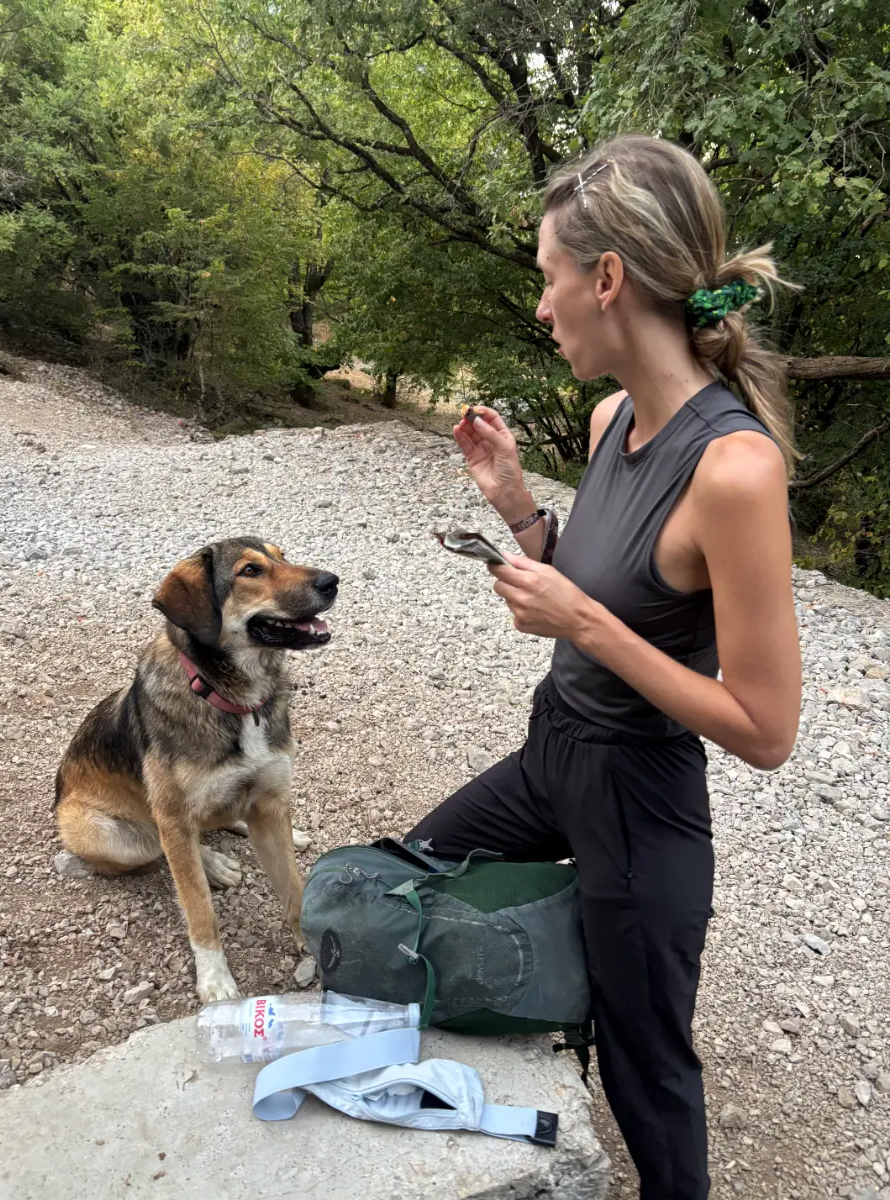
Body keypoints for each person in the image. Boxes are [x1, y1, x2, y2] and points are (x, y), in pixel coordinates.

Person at [404, 134, 802, 1200]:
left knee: (651, 1073)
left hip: (639, 797)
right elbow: (603, 580)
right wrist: (518, 511)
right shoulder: (610, 415)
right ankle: (561, 996)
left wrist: (584, 624)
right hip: (554, 753)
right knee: (409, 883)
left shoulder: (736, 468)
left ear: (607, 279)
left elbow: (766, 730)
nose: (542, 307)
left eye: (547, 279)